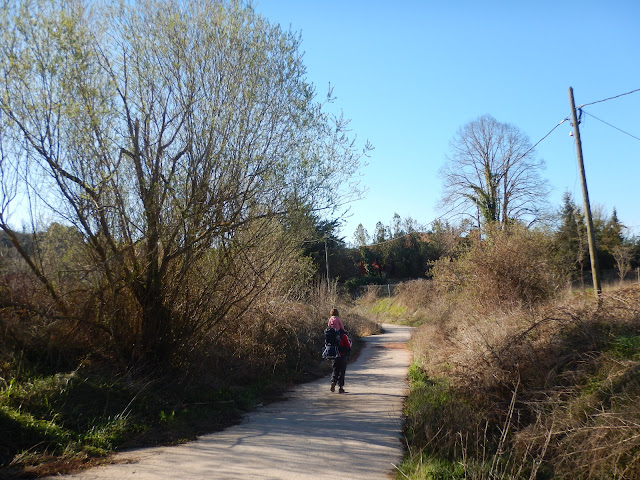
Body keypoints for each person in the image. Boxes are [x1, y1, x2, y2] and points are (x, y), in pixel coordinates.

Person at [330, 328, 352, 394]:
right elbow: (349, 345)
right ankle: (340, 388)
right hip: (342, 356)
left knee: (335, 370)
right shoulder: (343, 335)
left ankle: (333, 382)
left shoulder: (332, 335)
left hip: (334, 356)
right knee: (342, 372)